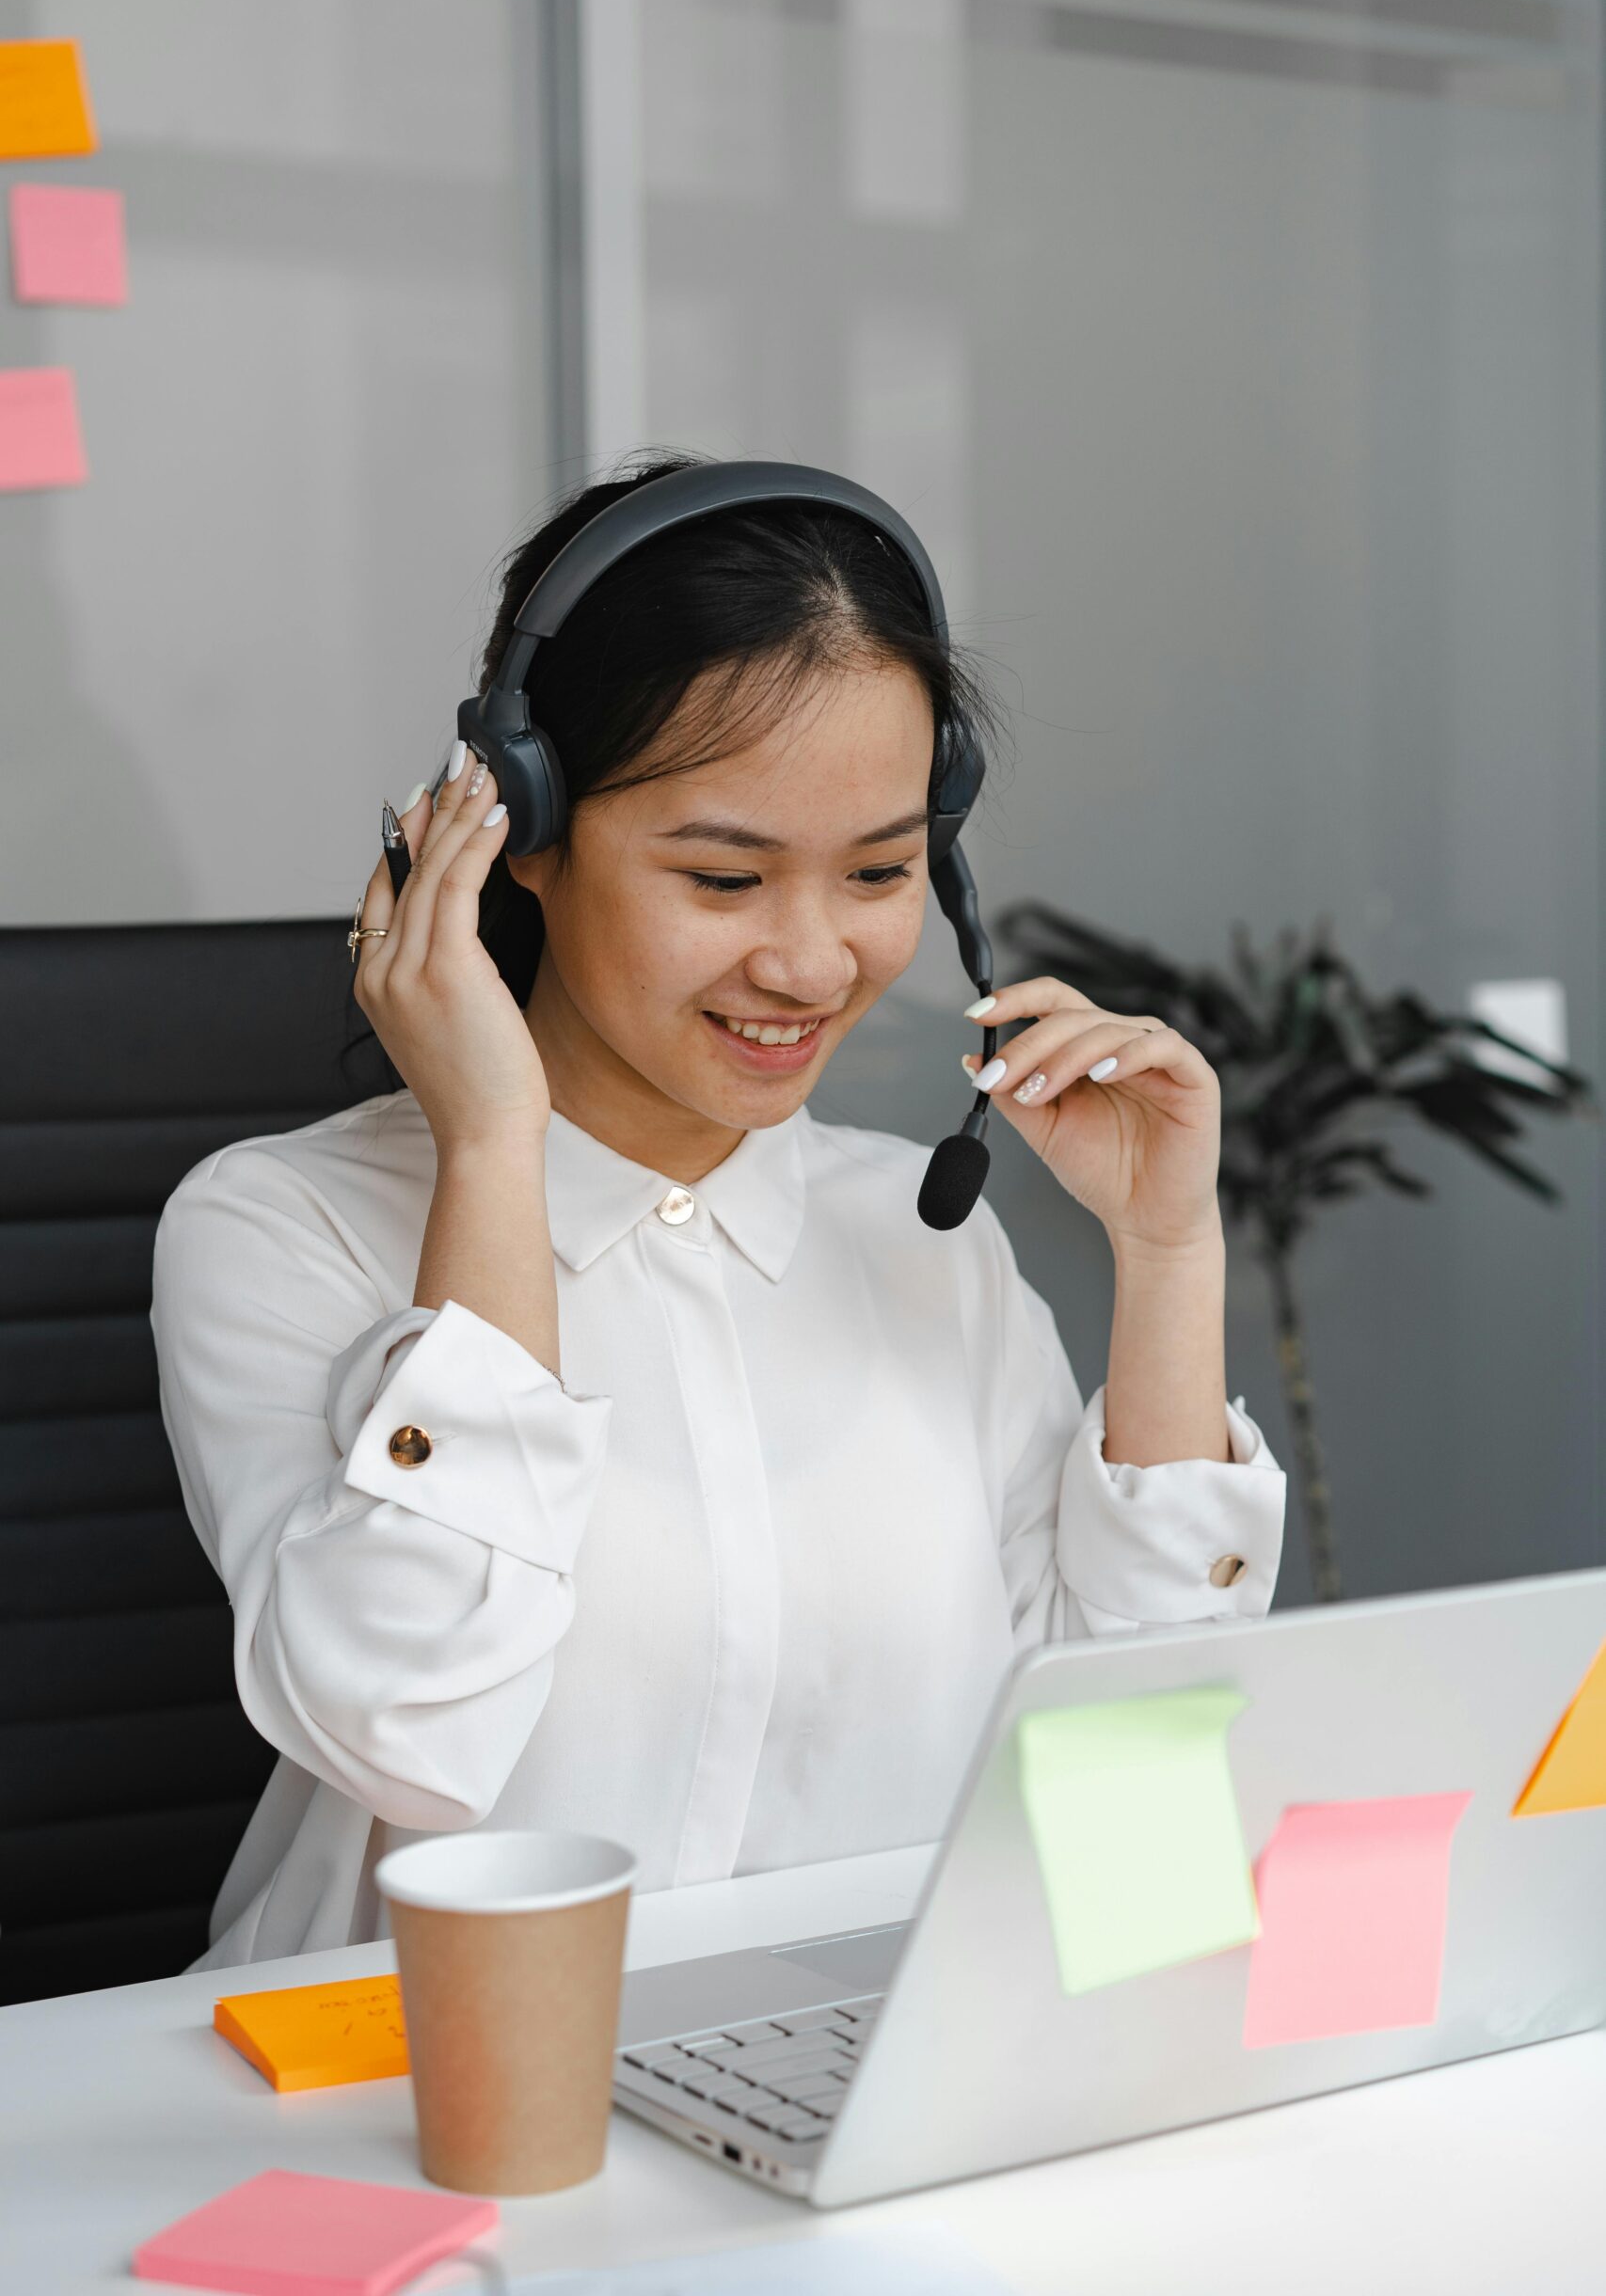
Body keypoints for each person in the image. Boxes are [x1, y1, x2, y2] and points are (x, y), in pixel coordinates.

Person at [152, 454, 1286, 1972]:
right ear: (519, 830)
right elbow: (404, 1722)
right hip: (419, 2097)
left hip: (854, 2082)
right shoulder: (279, 1228)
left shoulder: (919, 1233)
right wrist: (494, 1146)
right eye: (725, 877)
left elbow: (1127, 1772)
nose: (813, 964)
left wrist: (1165, 1254)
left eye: (881, 869)